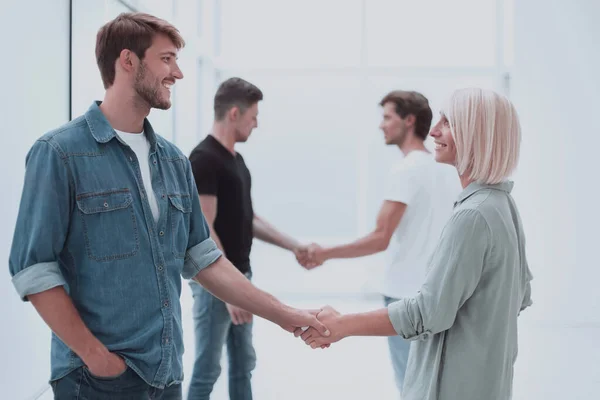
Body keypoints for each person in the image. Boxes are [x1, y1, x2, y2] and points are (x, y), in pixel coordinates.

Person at [8, 13, 328, 400]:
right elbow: (34, 269)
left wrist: (286, 315)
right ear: (128, 61)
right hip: (96, 381)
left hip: (165, 375)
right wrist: (96, 357)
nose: (177, 73)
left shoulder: (175, 162)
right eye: (166, 59)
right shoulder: (59, 153)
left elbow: (205, 259)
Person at [298, 88, 533, 400]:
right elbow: (520, 294)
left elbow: (428, 311)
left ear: (476, 133)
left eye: (448, 122)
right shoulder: (502, 205)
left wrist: (341, 323)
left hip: (450, 381)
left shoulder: (472, 214)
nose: (434, 130)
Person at [298, 90, 460, 393]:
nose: (381, 125)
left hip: (404, 297)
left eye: (387, 117)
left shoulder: (406, 170)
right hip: (439, 293)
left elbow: (380, 238)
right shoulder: (447, 169)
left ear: (409, 120)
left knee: (410, 386)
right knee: (434, 385)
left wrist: (324, 253)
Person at [187, 77, 311, 399]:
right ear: (233, 114)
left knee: (244, 364)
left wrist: (294, 246)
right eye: (253, 116)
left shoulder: (236, 161)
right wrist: (229, 290)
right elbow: (204, 228)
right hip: (217, 285)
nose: (256, 124)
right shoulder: (203, 159)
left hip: (241, 277)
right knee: (207, 370)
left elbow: (248, 218)